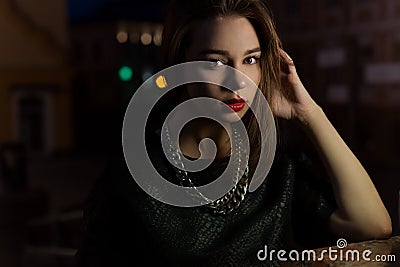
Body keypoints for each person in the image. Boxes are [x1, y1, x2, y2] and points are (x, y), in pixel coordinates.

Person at [75, 0, 392, 266]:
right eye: (216, 62)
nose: (238, 80)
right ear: (179, 64)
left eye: (250, 59)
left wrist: (309, 114)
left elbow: (372, 225)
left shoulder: (279, 172)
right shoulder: (134, 177)